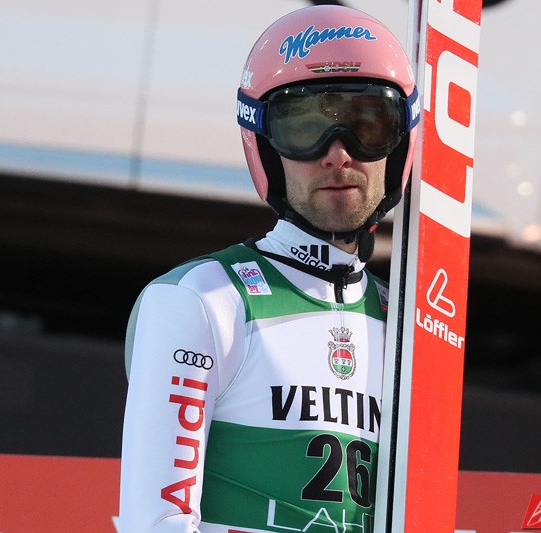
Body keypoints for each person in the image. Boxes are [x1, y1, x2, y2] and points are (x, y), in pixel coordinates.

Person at [119, 5, 419, 531]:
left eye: (368, 125)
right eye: (303, 128)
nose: (338, 154)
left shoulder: (409, 324)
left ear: (400, 142)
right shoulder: (201, 300)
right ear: (262, 143)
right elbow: (157, 521)